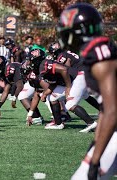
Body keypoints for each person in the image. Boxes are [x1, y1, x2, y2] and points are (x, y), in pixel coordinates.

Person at [56, 3, 117, 179]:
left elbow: (112, 112)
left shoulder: (98, 55)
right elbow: (106, 109)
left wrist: (96, 159)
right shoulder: (99, 50)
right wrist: (96, 144)